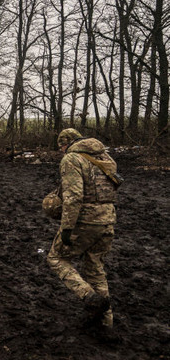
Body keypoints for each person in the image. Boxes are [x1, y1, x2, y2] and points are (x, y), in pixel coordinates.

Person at [46, 128, 119, 340]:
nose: (60, 150)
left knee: (56, 258)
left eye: (61, 146)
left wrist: (67, 228)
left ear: (67, 143)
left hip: (84, 221)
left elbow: (73, 197)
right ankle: (106, 324)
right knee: (95, 268)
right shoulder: (105, 157)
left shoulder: (72, 159)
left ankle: (87, 296)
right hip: (108, 220)